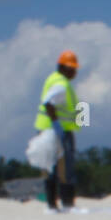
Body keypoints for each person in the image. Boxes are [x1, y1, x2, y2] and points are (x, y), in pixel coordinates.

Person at [34, 50, 81, 210]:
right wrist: (56, 124)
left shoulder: (56, 80)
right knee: (65, 169)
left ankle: (52, 205)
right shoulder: (60, 84)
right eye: (73, 69)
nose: (75, 72)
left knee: (51, 169)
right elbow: (49, 103)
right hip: (54, 131)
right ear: (64, 68)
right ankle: (67, 204)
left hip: (49, 130)